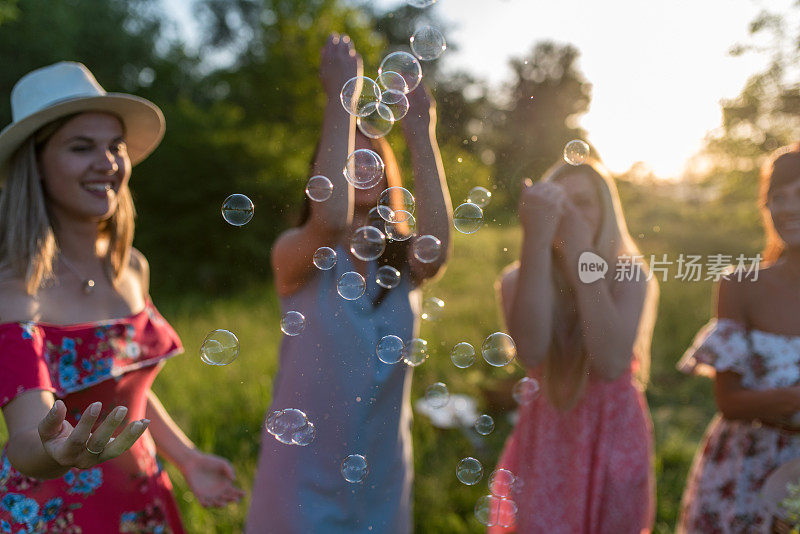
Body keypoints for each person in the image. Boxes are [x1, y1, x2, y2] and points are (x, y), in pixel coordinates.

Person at [0, 61, 243, 533]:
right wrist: (55, 453)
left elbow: (126, 393)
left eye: (115, 146)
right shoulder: (13, 291)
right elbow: (26, 437)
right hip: (57, 515)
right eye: (81, 147)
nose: (108, 162)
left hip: (141, 501)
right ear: (38, 166)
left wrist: (187, 458)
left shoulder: (131, 267)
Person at [246, 34, 451, 533]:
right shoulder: (299, 254)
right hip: (300, 480)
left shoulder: (404, 261)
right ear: (321, 173)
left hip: (380, 473)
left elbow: (439, 248)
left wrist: (420, 133)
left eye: (371, 159)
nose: (359, 168)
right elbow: (332, 220)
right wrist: (343, 95)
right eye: (344, 159)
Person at [489, 158, 659, 533]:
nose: (566, 215)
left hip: (610, 435)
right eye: (556, 204)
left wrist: (584, 257)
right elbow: (531, 352)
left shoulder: (629, 275)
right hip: (548, 437)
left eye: (581, 203)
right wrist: (534, 241)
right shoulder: (518, 280)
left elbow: (611, 362)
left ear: (606, 213)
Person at [677, 143, 800, 532]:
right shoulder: (741, 285)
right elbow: (728, 401)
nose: (787, 207)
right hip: (748, 467)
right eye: (777, 197)